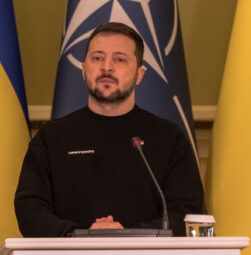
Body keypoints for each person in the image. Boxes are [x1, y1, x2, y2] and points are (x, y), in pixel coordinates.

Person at [14, 22, 203, 237]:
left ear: (140, 75)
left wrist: (129, 235)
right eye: (97, 58)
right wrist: (78, 236)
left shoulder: (169, 139)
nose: (107, 67)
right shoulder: (52, 138)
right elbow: (29, 208)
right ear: (84, 70)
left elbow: (187, 213)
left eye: (119, 59)